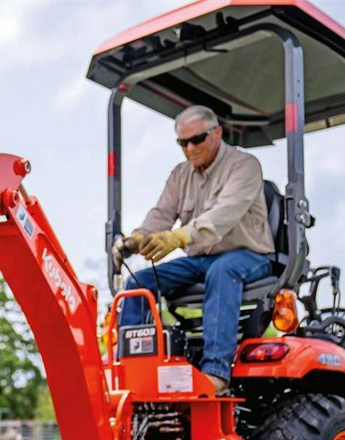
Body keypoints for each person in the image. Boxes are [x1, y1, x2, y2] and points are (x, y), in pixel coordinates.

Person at [113, 105, 274, 395]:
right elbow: (161, 213)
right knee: (138, 283)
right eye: (182, 142)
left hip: (249, 254)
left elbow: (223, 215)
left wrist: (177, 238)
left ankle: (215, 373)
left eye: (197, 139)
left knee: (222, 271)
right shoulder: (180, 174)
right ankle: (129, 370)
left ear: (217, 133)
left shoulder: (245, 166)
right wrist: (137, 239)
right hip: (201, 259)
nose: (189, 148)